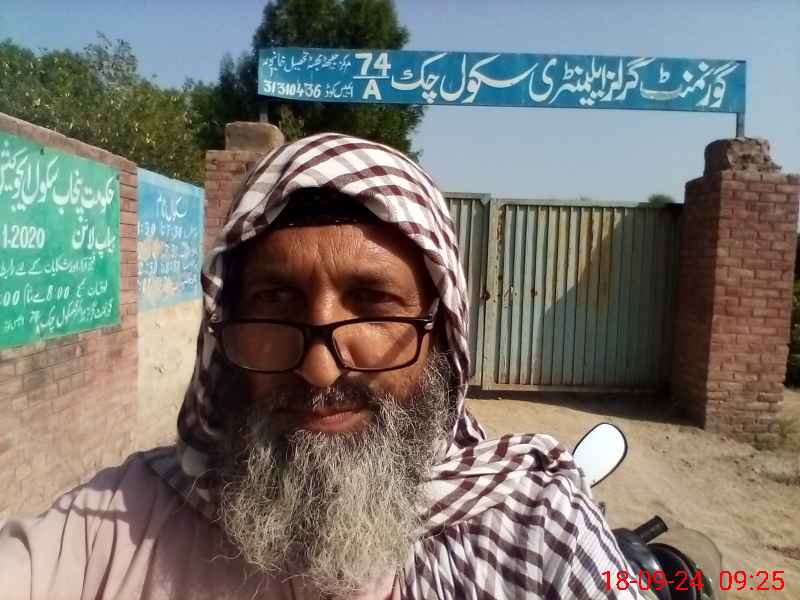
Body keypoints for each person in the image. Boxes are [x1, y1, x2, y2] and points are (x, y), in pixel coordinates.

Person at [0, 133, 644, 599]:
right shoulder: (119, 522)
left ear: (441, 333)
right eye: (276, 301)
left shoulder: (534, 528)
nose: (319, 370)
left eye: (372, 303)